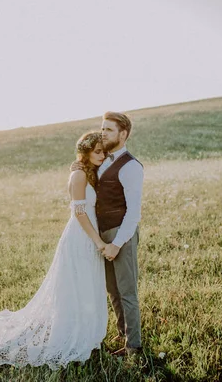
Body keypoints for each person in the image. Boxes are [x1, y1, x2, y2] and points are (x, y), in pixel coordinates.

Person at [0, 131, 109, 370]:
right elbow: (79, 212)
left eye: (103, 151)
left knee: (86, 283)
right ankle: (71, 330)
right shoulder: (78, 174)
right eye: (98, 151)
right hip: (82, 236)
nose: (102, 155)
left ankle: (86, 327)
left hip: (89, 233)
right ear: (86, 152)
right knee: (77, 284)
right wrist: (98, 241)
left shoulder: (89, 171)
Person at [74, 111, 144, 356]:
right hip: (102, 235)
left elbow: (134, 213)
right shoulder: (102, 160)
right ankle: (123, 335)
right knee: (113, 291)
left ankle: (134, 347)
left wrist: (117, 242)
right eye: (102, 129)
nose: (103, 133)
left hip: (120, 234)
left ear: (123, 134)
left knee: (127, 292)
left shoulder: (131, 166)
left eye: (109, 130)